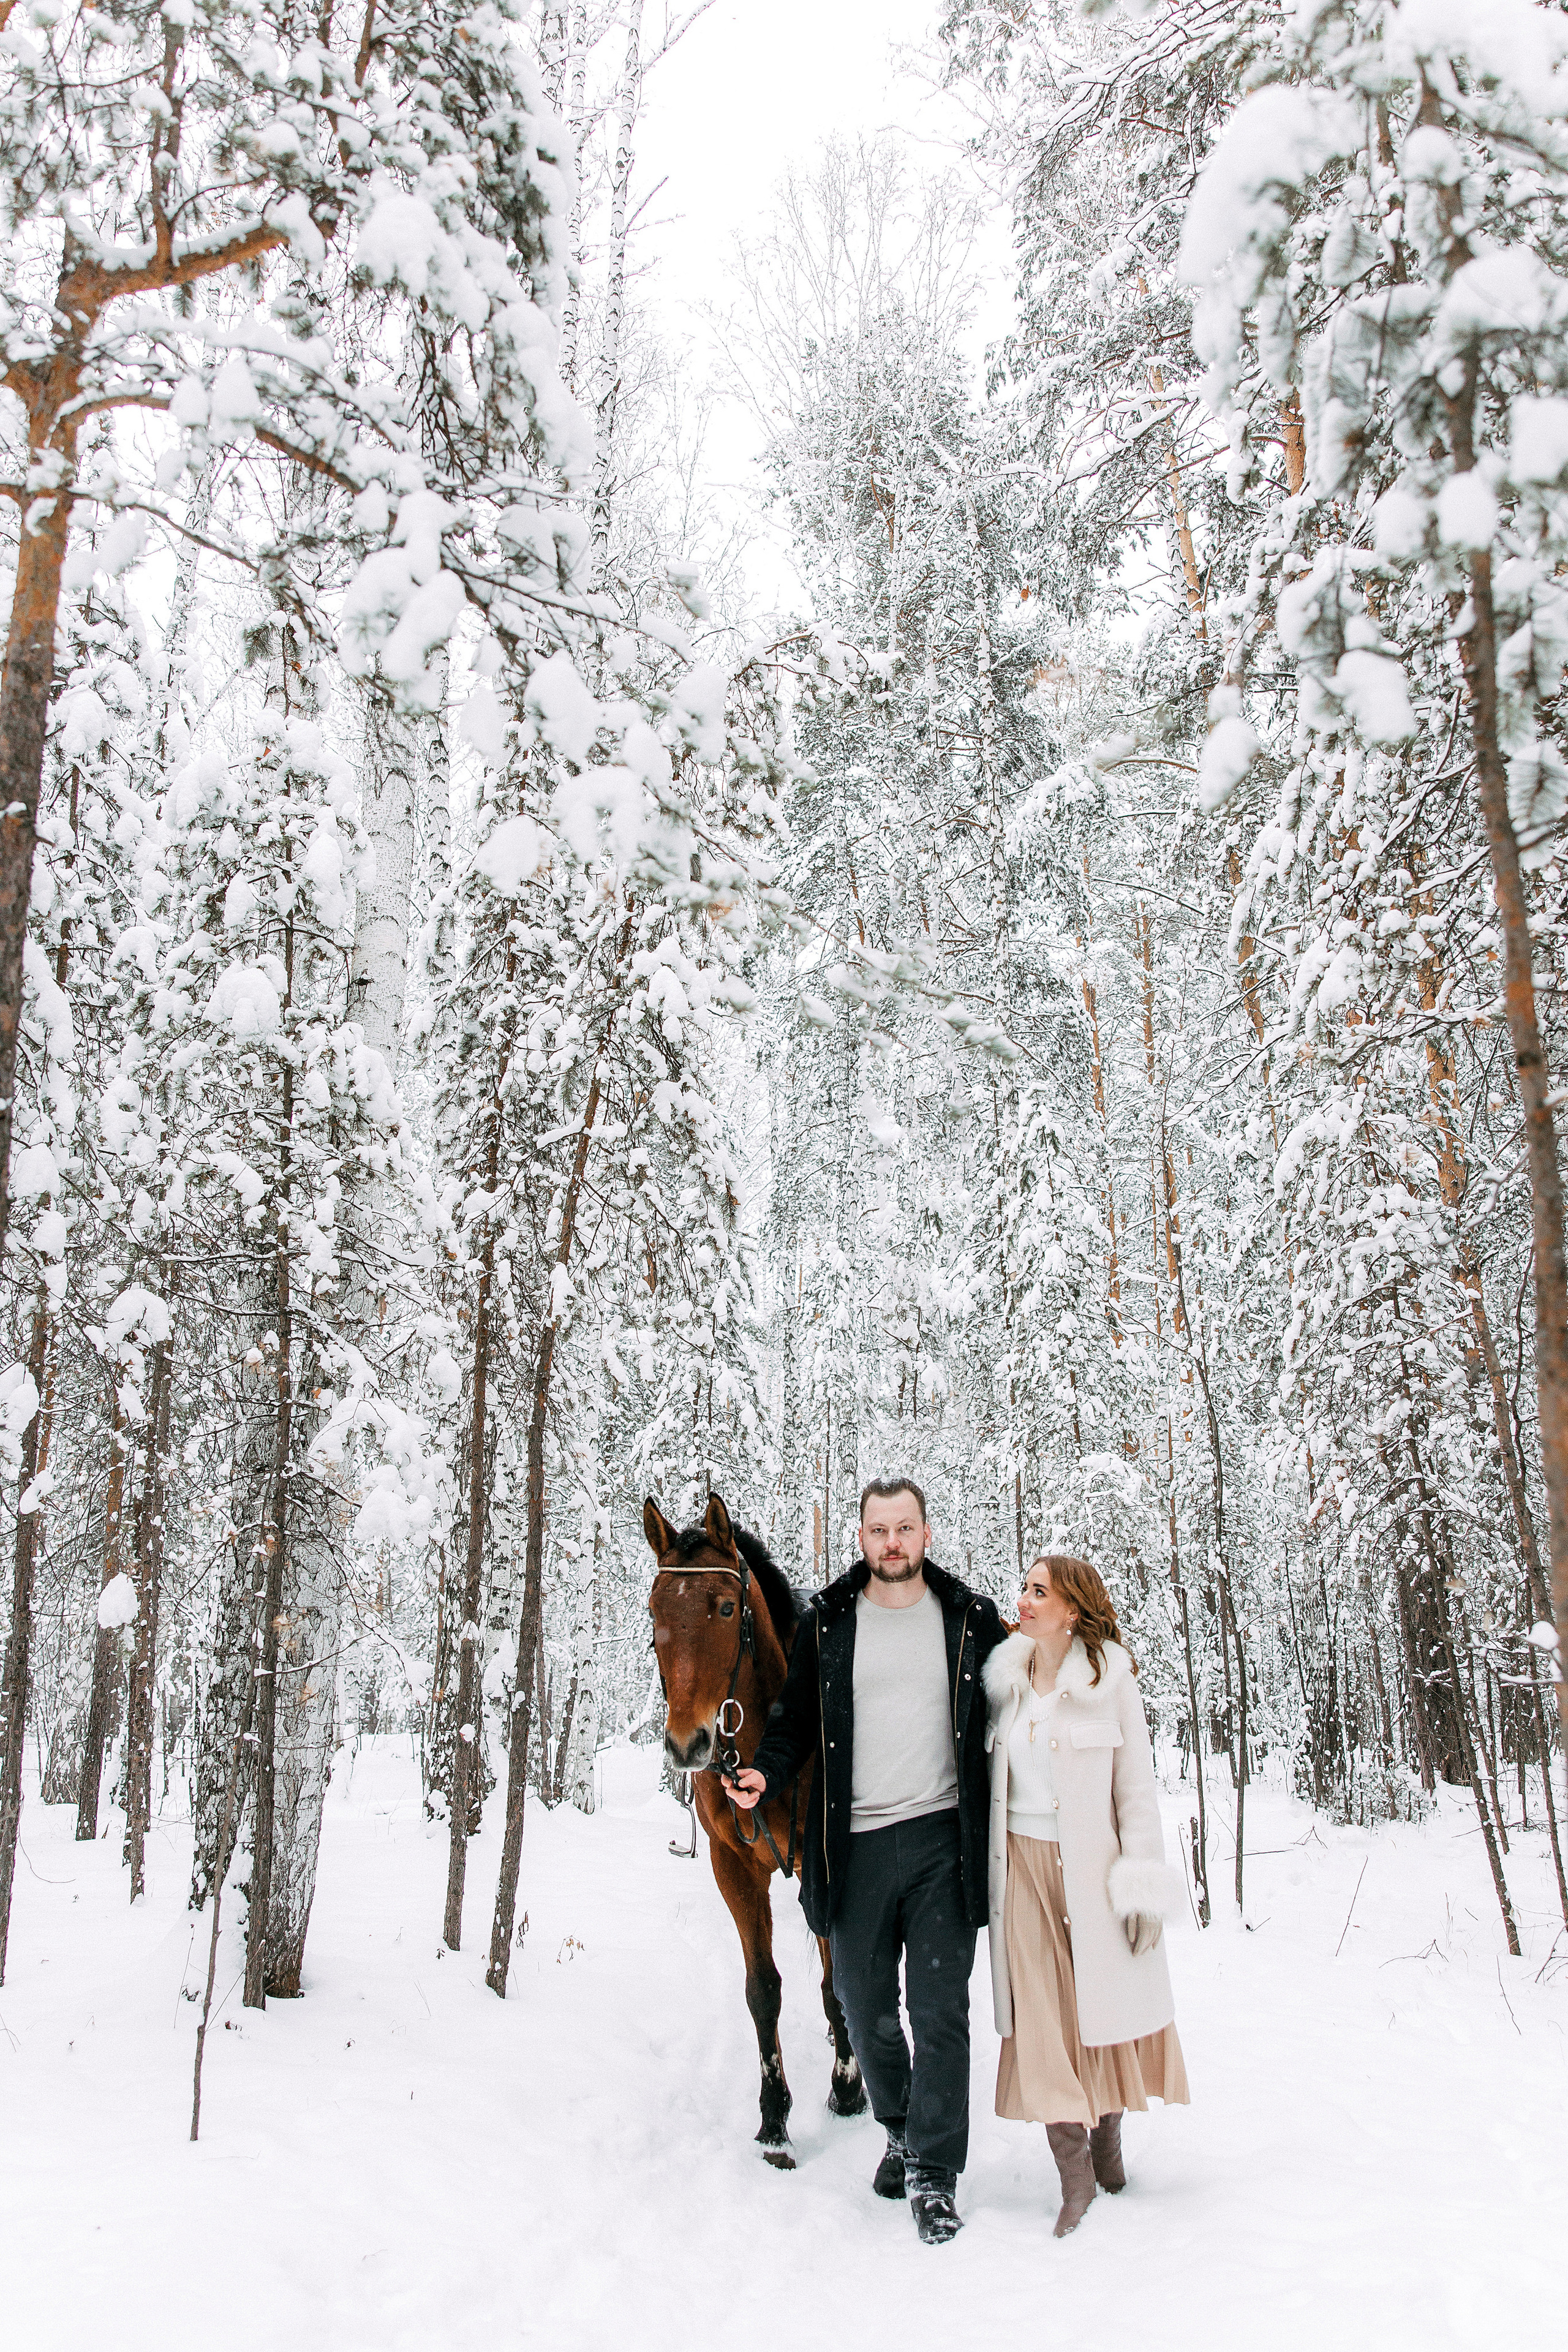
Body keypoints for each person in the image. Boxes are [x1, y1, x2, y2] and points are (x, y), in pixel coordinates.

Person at [725, 1478, 1006, 2245]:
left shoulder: (969, 1619)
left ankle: (933, 2173)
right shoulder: (827, 1622)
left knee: (940, 2011)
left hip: (944, 1841)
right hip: (853, 1849)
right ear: (861, 1538)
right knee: (862, 2004)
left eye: (905, 1527)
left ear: (925, 1533)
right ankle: (903, 2126)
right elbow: (791, 1725)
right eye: (879, 1529)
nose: (892, 1542)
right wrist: (764, 1774)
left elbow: (1026, 1696)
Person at [982, 1553, 1189, 2236]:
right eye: (1024, 1587)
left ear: (1073, 1609)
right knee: (1042, 2026)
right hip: (1021, 1869)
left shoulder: (1111, 1681)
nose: (1025, 1599)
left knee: (1096, 2015)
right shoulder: (1004, 1681)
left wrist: (1142, 1891)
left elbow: (1135, 1792)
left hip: (1092, 1873)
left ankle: (1108, 2152)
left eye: (1040, 1591)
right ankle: (1076, 2182)